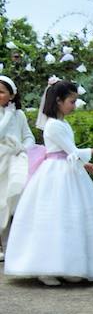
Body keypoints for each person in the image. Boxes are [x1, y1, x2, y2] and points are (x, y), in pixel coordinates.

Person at [3, 80, 93, 285]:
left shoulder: (62, 124)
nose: (74, 106)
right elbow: (73, 152)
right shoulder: (53, 126)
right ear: (58, 101)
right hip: (55, 175)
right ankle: (46, 268)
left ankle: (70, 265)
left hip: (66, 171)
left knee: (70, 221)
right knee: (53, 219)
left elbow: (68, 152)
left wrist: (83, 164)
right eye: (71, 101)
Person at [0, 75, 37, 260]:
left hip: (16, 162)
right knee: (1, 205)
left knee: (15, 203)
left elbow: (28, 136)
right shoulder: (7, 115)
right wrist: (6, 115)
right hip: (0, 163)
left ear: (12, 95)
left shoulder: (19, 114)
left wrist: (24, 147)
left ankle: (11, 248)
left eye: (1, 92)